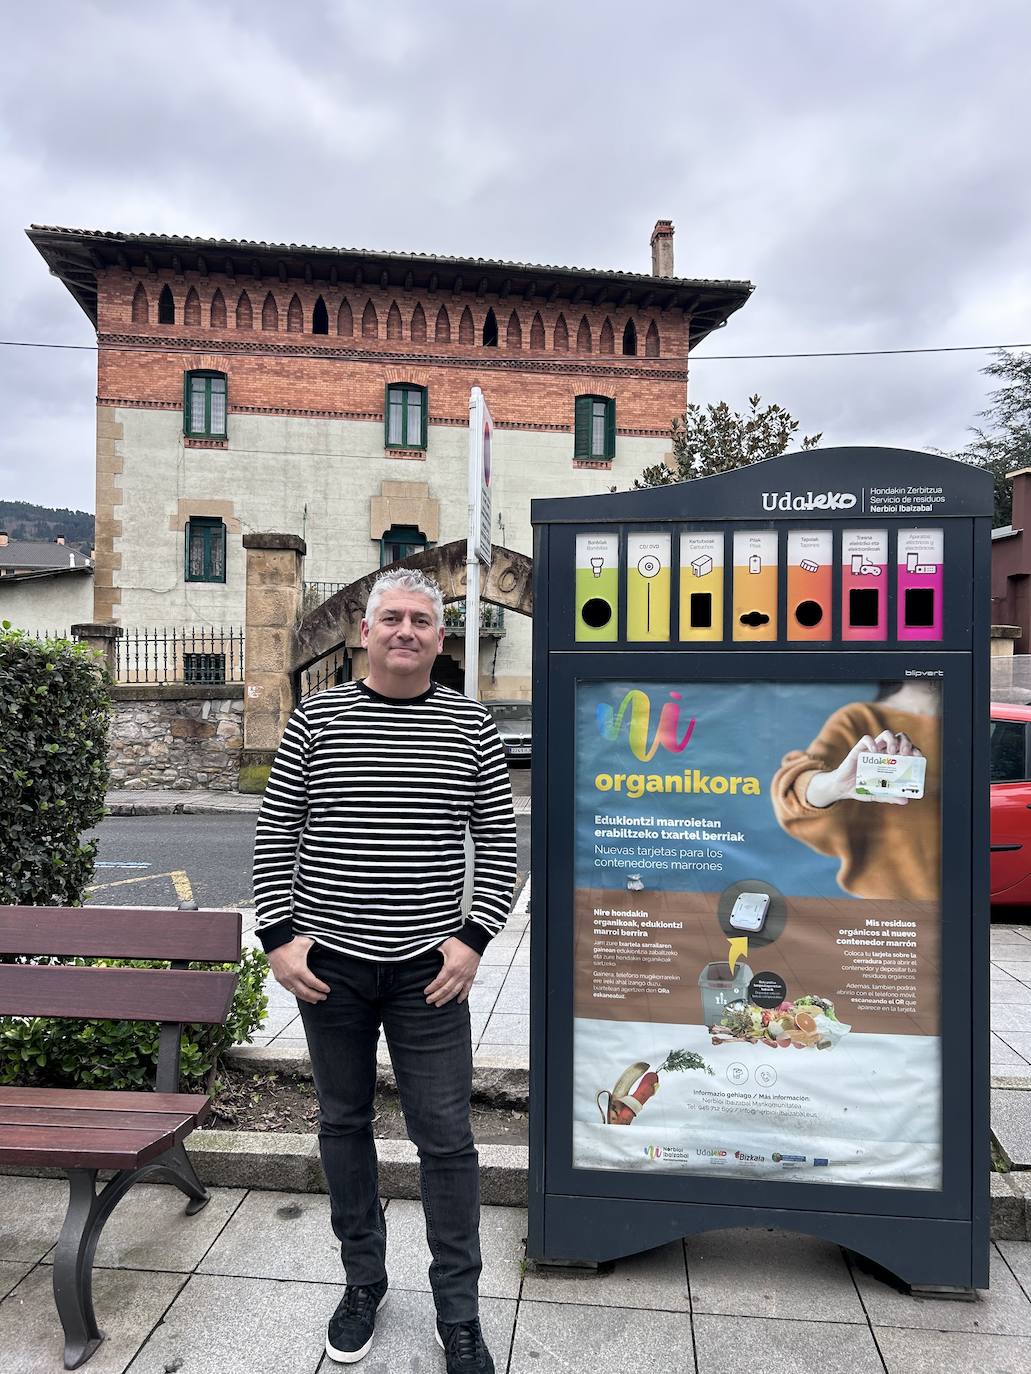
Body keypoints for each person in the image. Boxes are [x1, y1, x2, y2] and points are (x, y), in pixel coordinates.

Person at [252, 568, 517, 1372]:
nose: (405, 631)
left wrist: (472, 940)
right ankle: (363, 1282)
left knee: (446, 1139)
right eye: (390, 618)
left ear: (441, 639)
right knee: (342, 1125)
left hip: (427, 972)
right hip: (329, 967)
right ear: (361, 632)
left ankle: (458, 1311)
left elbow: (500, 851)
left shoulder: (472, 725)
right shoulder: (317, 718)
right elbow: (275, 833)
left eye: (421, 621)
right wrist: (278, 938)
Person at [770, 680, 940, 900]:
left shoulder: (975, 719)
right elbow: (795, 789)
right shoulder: (859, 718)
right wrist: (835, 785)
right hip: (887, 909)